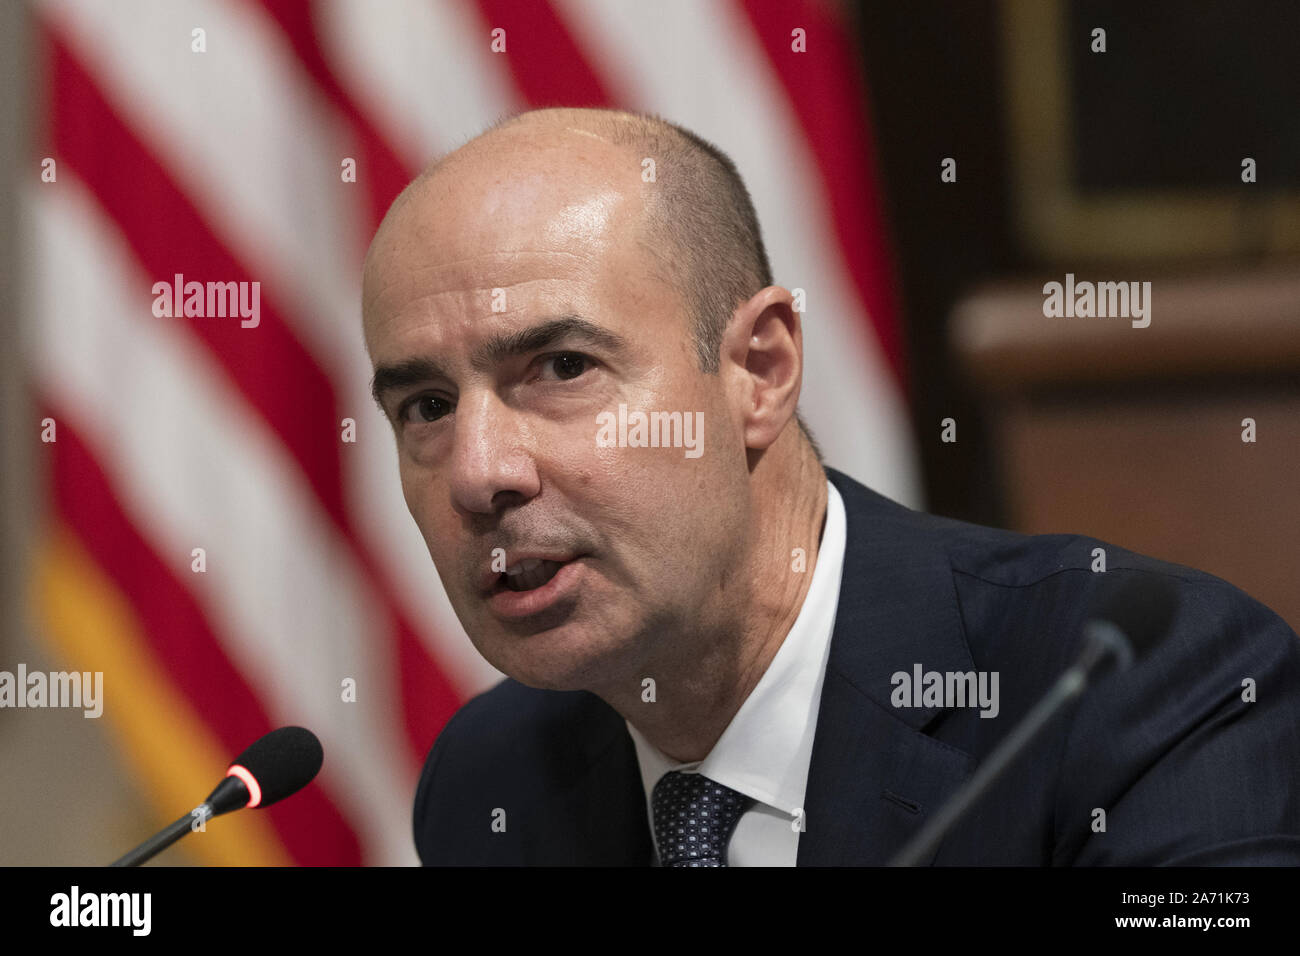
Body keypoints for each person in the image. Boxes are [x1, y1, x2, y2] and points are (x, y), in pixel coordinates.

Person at [361, 107, 1300, 866]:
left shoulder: (1139, 696)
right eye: (427, 406)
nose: (480, 472)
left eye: (562, 368)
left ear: (758, 372)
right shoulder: (493, 783)